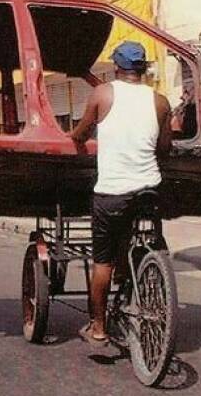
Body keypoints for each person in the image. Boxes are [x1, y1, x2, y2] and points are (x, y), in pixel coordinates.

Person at [70, 41, 173, 345]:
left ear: (117, 66)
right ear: (142, 68)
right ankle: (138, 271)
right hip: (149, 190)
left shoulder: (102, 94)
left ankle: (98, 328)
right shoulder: (160, 101)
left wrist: (72, 136)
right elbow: (164, 148)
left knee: (102, 262)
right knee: (140, 232)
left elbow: (81, 134)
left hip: (112, 193)